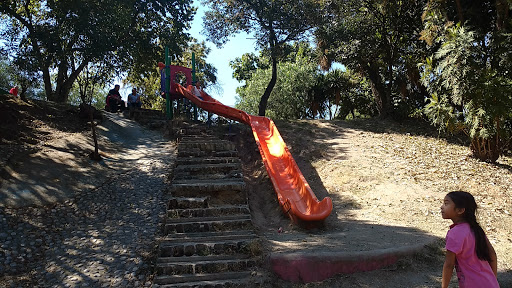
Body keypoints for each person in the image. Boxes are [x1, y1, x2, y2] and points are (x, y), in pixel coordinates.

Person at [441, 191, 499, 288]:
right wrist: (493, 279)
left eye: (446, 203)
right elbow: (492, 255)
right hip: (490, 283)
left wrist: (444, 287)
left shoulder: (454, 233)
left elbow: (449, 264)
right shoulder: (476, 229)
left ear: (460, 210)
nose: (442, 207)